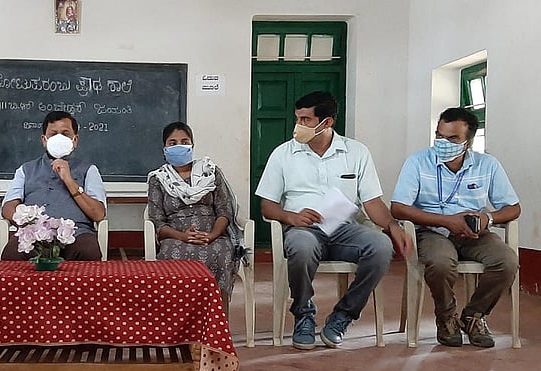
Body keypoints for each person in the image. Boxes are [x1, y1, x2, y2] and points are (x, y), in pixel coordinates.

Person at [255, 91, 411, 350]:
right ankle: (304, 315)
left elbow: (372, 201)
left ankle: (343, 316)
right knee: (301, 247)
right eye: (297, 118)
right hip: (304, 230)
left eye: (306, 120)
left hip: (345, 230)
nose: (298, 125)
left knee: (381, 247)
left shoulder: (356, 152)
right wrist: (291, 217)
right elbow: (267, 205)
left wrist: (393, 226)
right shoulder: (283, 154)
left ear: (327, 122)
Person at [390, 107, 519, 348]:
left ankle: (474, 316)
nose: (443, 143)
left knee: (507, 262)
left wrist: (488, 219)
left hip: (474, 233)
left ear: (468, 142)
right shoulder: (418, 162)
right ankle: (446, 317)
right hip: (431, 230)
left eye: (452, 139)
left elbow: (513, 207)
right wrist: (447, 221)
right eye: (439, 135)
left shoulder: (487, 165)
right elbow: (398, 208)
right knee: (440, 263)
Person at [147, 121, 243, 309]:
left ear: (192, 144)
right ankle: (179, 319)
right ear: (164, 148)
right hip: (176, 238)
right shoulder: (158, 179)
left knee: (223, 251)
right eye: (173, 143)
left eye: (184, 141)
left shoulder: (210, 172)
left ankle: (217, 320)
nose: (179, 146)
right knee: (170, 254)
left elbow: (224, 210)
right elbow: (157, 221)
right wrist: (183, 236)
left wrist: (212, 235)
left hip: (214, 236)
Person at [0, 110, 106, 260]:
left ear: (75, 140)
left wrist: (69, 180)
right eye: (53, 134)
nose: (59, 138)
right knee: (12, 253)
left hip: (76, 234)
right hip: (34, 235)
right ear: (44, 140)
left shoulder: (89, 170)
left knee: (88, 250)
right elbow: (8, 208)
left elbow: (98, 213)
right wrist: (29, 225)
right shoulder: (25, 170)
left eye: (65, 134)